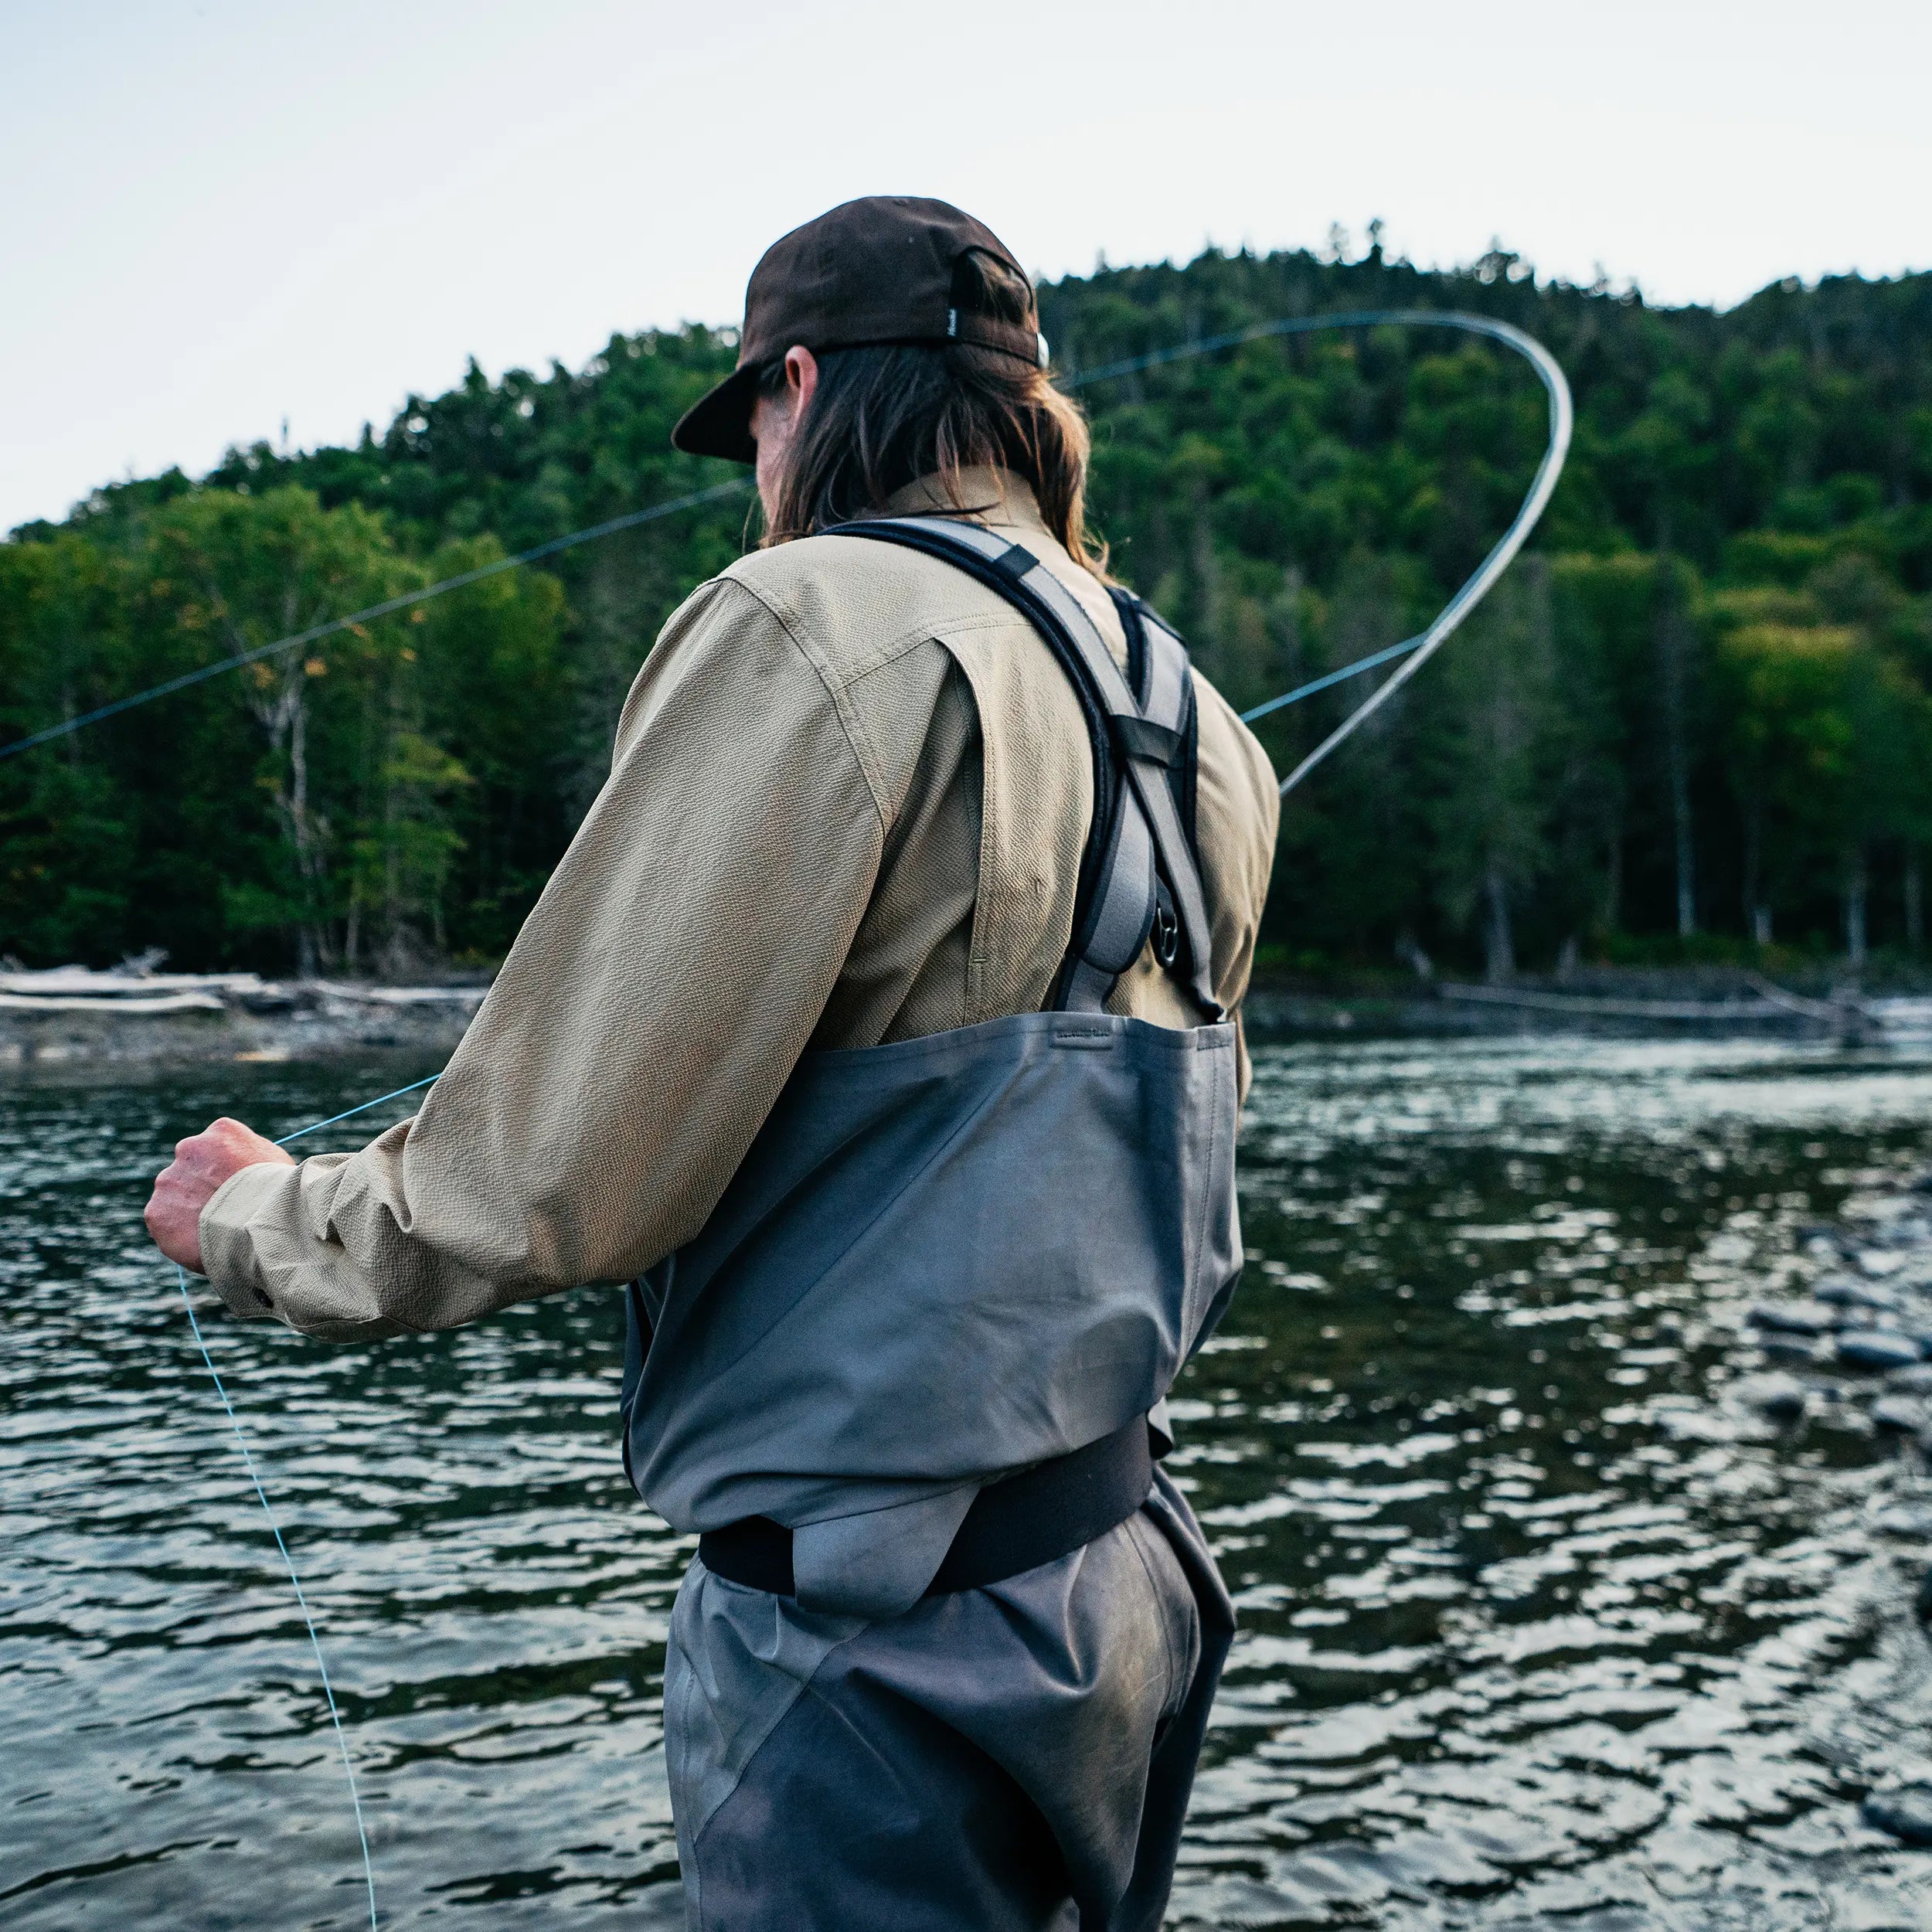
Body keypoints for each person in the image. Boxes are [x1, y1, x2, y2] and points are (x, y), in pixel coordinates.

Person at [146, 194, 1279, 1931]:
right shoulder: (1200, 715)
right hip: (1126, 1582)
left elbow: (552, 1177)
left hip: (878, 1653)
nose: (750, 450)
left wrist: (260, 1217)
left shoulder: (806, 619)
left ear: (804, 384)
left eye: (750, 406)